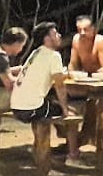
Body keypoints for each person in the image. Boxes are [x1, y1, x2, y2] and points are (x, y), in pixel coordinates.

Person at [11, 21, 77, 155]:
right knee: (71, 114)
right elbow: (59, 86)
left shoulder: (36, 53)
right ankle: (73, 154)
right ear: (47, 39)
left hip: (16, 107)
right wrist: (65, 111)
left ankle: (53, 145)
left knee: (54, 106)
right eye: (55, 34)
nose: (59, 35)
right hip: (31, 109)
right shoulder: (53, 56)